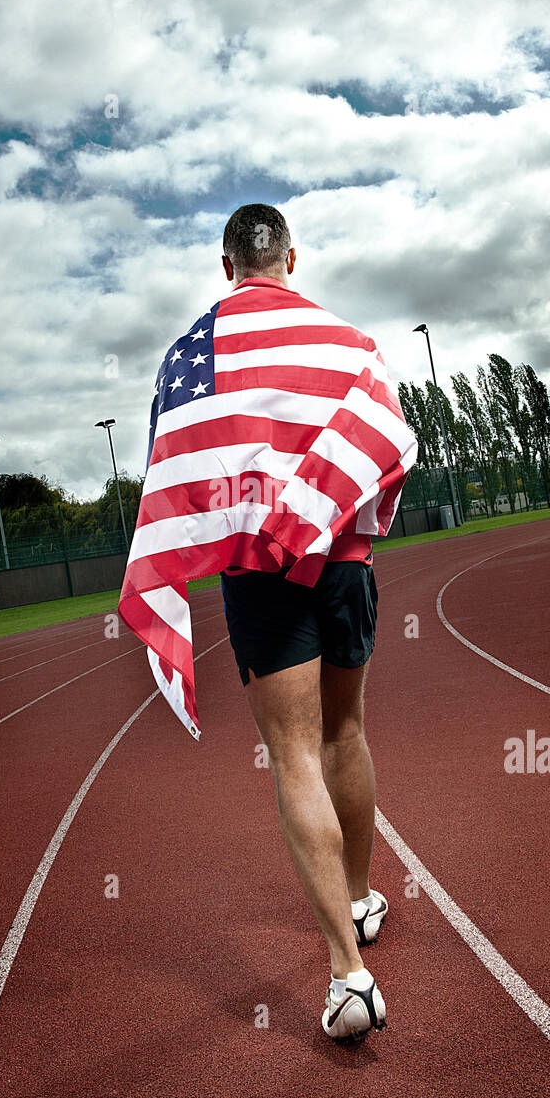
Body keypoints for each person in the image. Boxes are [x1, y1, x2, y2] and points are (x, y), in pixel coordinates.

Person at [218, 204, 389, 1041]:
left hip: (258, 570)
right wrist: (347, 526)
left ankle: (349, 977)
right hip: (345, 560)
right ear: (292, 256)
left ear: (227, 268)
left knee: (293, 754)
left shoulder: (197, 356)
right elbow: (388, 439)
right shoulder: (349, 343)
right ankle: (359, 901)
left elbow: (183, 466)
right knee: (345, 732)